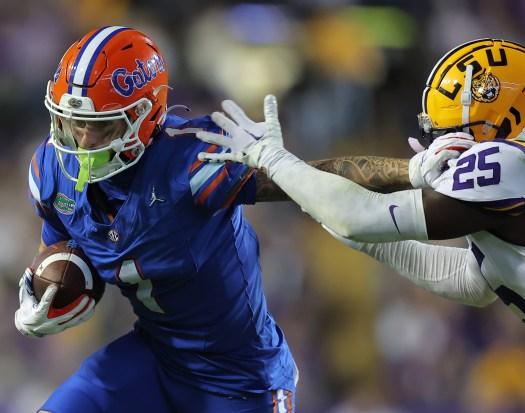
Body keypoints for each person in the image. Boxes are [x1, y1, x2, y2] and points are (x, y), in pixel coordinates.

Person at [197, 38, 525, 413]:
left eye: (453, 130)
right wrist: (341, 221)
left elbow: (359, 217)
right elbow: (473, 282)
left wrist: (275, 160)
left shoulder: (508, 164)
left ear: (495, 118)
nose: (442, 142)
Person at [14, 26, 415, 413]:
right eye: (74, 122)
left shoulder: (191, 164)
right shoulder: (52, 171)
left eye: (100, 126)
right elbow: (66, 250)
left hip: (241, 379)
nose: (82, 140)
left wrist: (412, 172)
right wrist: (48, 293)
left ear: (143, 115)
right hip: (154, 357)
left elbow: (314, 177)